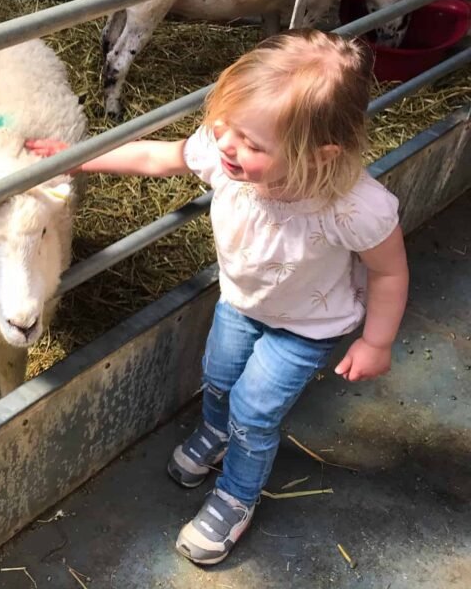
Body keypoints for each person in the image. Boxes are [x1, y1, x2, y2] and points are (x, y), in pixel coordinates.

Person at [26, 28, 408, 565]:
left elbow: (389, 273)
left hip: (308, 325)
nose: (228, 146)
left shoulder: (353, 206)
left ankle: (235, 496)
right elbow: (159, 158)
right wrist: (81, 157)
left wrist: (377, 341)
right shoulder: (224, 153)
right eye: (226, 126)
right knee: (219, 373)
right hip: (240, 302)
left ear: (320, 155)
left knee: (254, 410)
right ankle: (214, 431)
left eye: (253, 144)